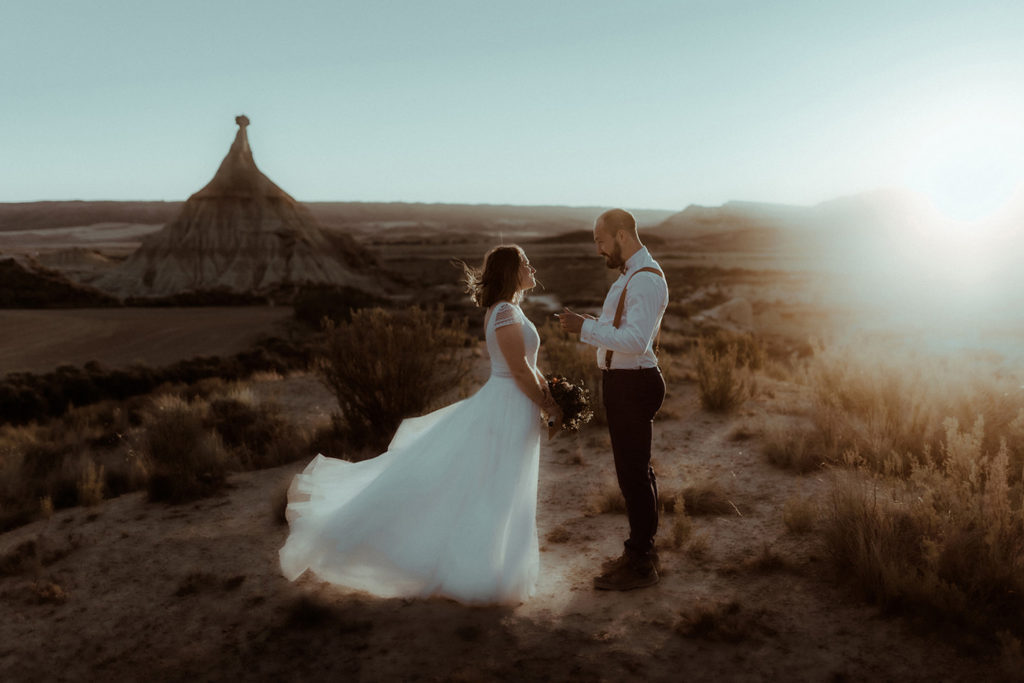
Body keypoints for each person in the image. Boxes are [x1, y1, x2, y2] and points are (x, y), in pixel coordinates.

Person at [279, 245, 561, 605]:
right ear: (510, 271)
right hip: (505, 408)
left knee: (505, 485)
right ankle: (480, 572)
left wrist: (551, 394)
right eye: (525, 263)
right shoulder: (504, 311)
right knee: (499, 486)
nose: (532, 267)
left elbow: (529, 364)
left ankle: (499, 566)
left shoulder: (511, 309)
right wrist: (548, 405)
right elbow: (518, 370)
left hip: (515, 405)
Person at [558, 208, 668, 591]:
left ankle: (641, 562)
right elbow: (623, 331)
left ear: (621, 235)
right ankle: (642, 552)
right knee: (636, 472)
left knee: (633, 475)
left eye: (600, 241)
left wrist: (585, 328)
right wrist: (595, 324)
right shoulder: (632, 277)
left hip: (633, 383)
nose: (599, 250)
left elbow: (636, 341)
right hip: (625, 382)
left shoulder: (644, 281)